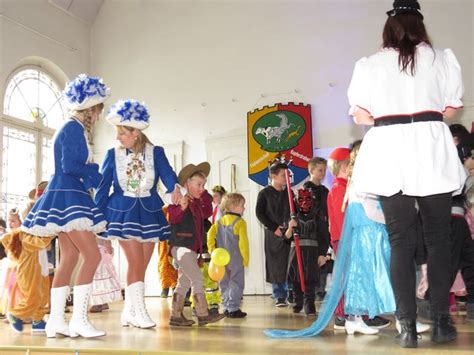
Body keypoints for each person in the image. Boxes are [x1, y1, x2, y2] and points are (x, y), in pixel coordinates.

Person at [347, 0, 466, 347]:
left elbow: (362, 116)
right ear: (420, 24)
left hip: (389, 150)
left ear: (389, 27)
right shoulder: (442, 59)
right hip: (431, 147)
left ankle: (408, 327)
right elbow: (450, 108)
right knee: (439, 238)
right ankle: (442, 321)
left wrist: (392, 113)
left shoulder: (370, 65)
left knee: (400, 241)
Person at [21, 74, 110, 338]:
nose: (97, 117)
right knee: (91, 255)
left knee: (70, 257)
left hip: (66, 191)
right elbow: (71, 166)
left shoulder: (71, 127)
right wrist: (94, 171)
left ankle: (56, 321)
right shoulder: (73, 128)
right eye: (97, 111)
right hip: (69, 192)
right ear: (91, 109)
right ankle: (79, 321)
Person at [95, 99, 181, 328]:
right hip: (122, 212)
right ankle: (140, 312)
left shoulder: (156, 152)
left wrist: (175, 189)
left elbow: (168, 175)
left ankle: (129, 311)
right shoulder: (112, 154)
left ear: (135, 133)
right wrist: (97, 216)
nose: (118, 138)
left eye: (122, 133)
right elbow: (103, 186)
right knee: (135, 262)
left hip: (150, 211)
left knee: (142, 264)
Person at [168, 162, 225, 326]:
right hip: (180, 246)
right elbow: (173, 218)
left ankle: (176, 316)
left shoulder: (198, 202)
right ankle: (202, 313)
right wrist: (181, 208)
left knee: (184, 281)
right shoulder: (177, 200)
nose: (202, 188)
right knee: (197, 278)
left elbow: (207, 212)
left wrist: (204, 193)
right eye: (199, 185)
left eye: (204, 185)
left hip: (192, 248)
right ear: (187, 183)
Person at [285, 188, 329, 317]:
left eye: (308, 199)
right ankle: (298, 301)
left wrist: (322, 253)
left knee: (310, 278)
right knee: (296, 278)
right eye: (301, 200)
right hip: (296, 251)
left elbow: (324, 236)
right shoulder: (292, 215)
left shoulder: (318, 215)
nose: (304, 203)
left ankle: (309, 303)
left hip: (312, 252)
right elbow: (286, 237)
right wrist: (290, 227)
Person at [255, 160, 291, 307]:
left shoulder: (289, 193)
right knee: (275, 263)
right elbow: (259, 213)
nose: (286, 178)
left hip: (288, 232)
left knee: (288, 262)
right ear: (274, 176)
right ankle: (279, 295)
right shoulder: (264, 193)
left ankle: (290, 292)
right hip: (273, 233)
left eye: (287, 175)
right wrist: (273, 227)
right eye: (283, 175)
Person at [208, 192, 249, 318]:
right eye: (242, 205)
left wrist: (212, 250)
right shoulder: (240, 222)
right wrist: (246, 259)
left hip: (221, 260)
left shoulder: (219, 222)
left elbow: (210, 235)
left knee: (224, 283)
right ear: (233, 207)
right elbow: (243, 243)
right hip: (236, 259)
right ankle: (234, 308)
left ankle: (226, 306)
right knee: (236, 283)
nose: (244, 208)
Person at [2, 230, 52, 333]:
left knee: (43, 296)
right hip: (30, 273)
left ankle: (38, 320)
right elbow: (41, 243)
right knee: (32, 297)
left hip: (41, 270)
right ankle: (15, 314)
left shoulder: (32, 234)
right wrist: (52, 232)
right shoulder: (26, 236)